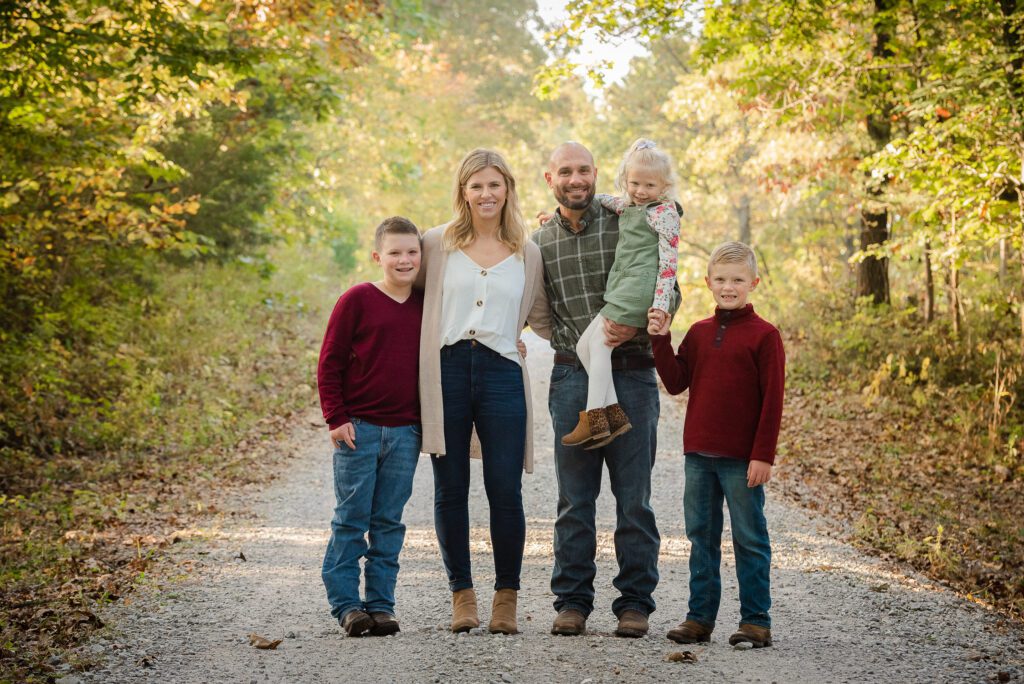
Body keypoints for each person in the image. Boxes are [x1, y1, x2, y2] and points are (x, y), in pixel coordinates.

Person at [534, 141, 679, 639]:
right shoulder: (540, 242)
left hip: (633, 372)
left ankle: (635, 603)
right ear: (549, 178)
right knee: (575, 499)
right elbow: (536, 308)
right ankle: (572, 601)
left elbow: (667, 282)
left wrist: (641, 321)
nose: (576, 179)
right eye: (565, 172)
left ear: (596, 174)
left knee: (633, 497)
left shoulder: (630, 219)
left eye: (584, 171)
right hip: (572, 376)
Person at [417, 148, 550, 635]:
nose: (486, 193)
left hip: (501, 374)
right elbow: (408, 299)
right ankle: (462, 596)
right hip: (447, 370)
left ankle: (506, 599)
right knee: (450, 489)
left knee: (504, 489)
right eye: (477, 185)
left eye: (495, 184)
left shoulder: (527, 252)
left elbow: (544, 319)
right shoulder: (436, 243)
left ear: (508, 189)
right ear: (463, 191)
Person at [648, 241, 784, 648]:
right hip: (699, 456)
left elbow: (773, 400)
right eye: (721, 279)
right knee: (701, 536)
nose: (729, 287)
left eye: (738, 280)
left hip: (741, 460)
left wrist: (763, 455)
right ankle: (699, 618)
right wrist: (660, 338)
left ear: (753, 283)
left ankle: (756, 621)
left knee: (749, 537)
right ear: (708, 282)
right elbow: (675, 382)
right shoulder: (699, 332)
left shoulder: (765, 336)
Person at [316, 216, 424, 637]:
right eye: (395, 252)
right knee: (351, 519)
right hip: (357, 429)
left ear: (421, 256)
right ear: (378, 256)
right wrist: (336, 417)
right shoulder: (358, 299)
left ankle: (381, 605)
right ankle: (346, 605)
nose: (404, 260)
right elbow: (330, 362)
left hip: (405, 432)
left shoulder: (425, 303)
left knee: (389, 523)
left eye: (411, 252)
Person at [560, 138, 680, 449]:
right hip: (624, 286)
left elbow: (669, 264)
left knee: (599, 346)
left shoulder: (663, 212)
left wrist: (660, 306)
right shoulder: (628, 204)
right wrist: (555, 215)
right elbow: (602, 199)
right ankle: (613, 416)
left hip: (638, 289)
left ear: (664, 185)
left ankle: (594, 418)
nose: (641, 191)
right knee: (585, 346)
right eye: (634, 183)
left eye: (649, 185)